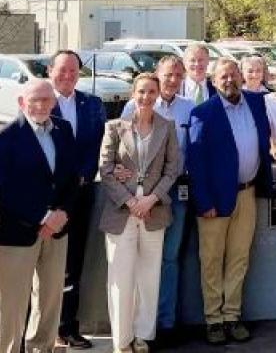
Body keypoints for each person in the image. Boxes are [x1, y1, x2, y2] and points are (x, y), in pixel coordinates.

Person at [187, 58, 272, 345]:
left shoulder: (257, 103)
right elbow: (195, 162)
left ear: (241, 76)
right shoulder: (203, 113)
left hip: (248, 193)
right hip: (214, 200)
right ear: (213, 81)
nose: (229, 81)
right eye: (223, 77)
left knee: (239, 258)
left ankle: (232, 316)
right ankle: (213, 320)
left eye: (233, 75)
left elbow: (265, 140)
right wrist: (203, 201)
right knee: (211, 260)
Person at [0, 79, 78, 353]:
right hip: (17, 232)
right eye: (34, 100)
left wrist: (62, 212)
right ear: (21, 102)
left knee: (51, 300)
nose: (40, 105)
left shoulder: (63, 129)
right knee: (11, 305)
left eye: (46, 100)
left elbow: (72, 178)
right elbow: (5, 189)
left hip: (57, 230)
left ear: (54, 102)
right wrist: (43, 217)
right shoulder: (3, 137)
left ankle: (43, 347)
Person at [100, 73, 183, 353]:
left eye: (151, 92)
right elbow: (106, 170)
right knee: (121, 279)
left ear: (158, 94)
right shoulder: (114, 127)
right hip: (121, 212)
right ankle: (122, 341)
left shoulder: (167, 127)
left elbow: (173, 169)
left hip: (154, 212)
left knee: (149, 278)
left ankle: (142, 336)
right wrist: (130, 202)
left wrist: (150, 200)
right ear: (132, 94)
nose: (146, 97)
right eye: (141, 92)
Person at [133, 55, 195, 343]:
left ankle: (166, 323)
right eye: (168, 74)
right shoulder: (138, 105)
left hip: (177, 192)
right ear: (157, 74)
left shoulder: (189, 109)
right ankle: (142, 326)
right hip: (143, 195)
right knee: (143, 258)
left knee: (170, 258)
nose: (173, 80)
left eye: (178, 75)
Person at [48, 50, 108, 349]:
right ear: (50, 71)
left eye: (73, 71)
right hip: (48, 197)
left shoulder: (92, 105)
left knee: (73, 263)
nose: (68, 75)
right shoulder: (40, 102)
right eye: (62, 70)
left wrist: (83, 175)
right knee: (45, 264)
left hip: (81, 194)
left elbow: (98, 145)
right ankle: (39, 328)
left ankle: (67, 326)